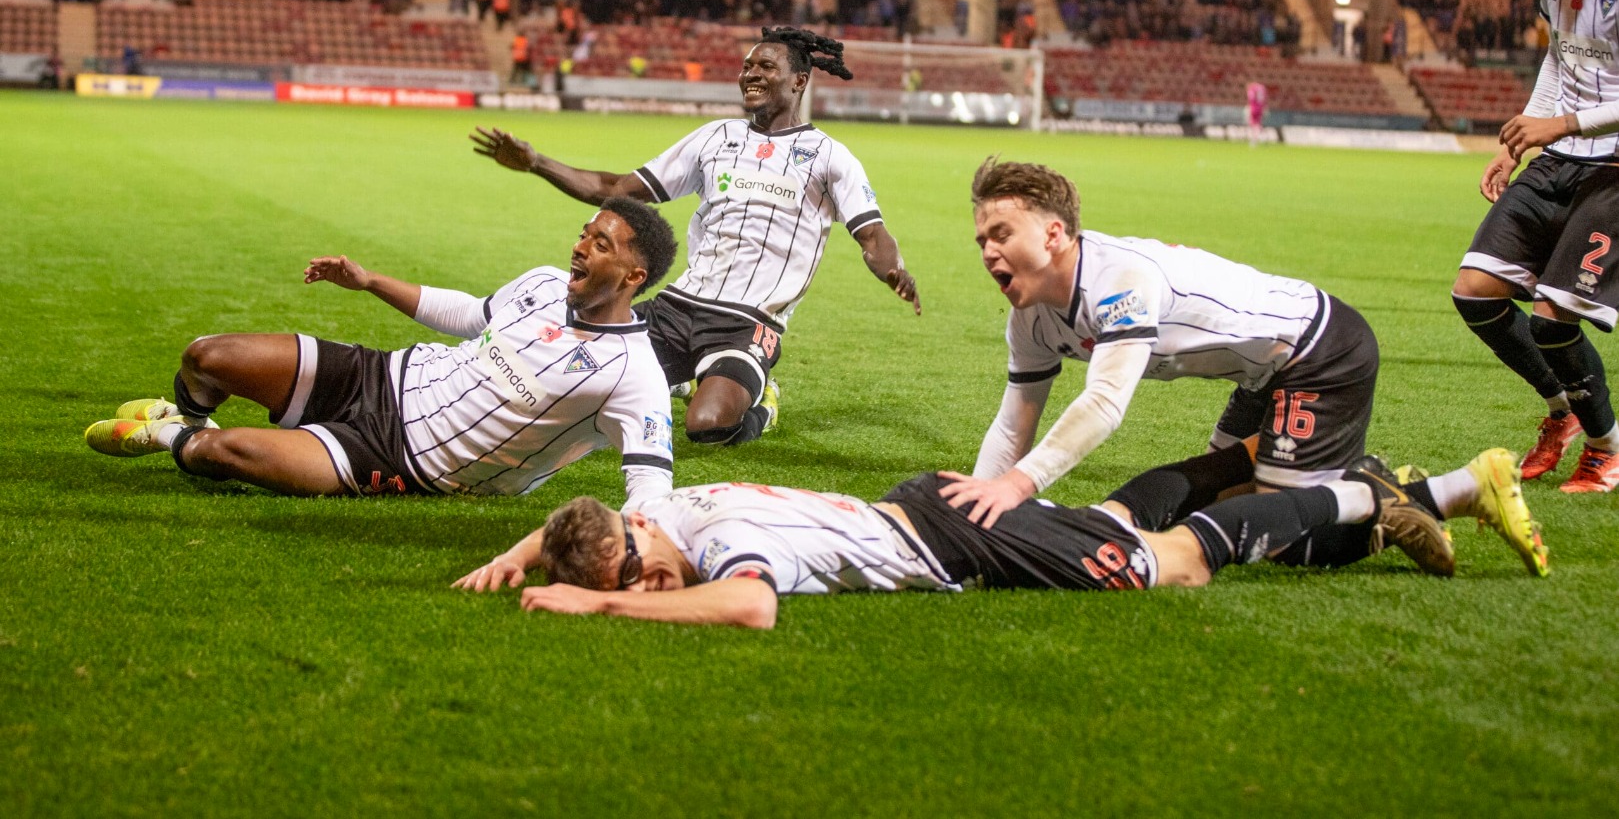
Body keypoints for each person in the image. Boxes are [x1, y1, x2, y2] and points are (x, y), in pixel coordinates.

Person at [935, 158, 1487, 577]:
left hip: (1318, 351)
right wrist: (975, 514)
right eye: (982, 239)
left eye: (1002, 234)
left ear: (1053, 234)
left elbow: (1104, 403)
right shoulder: (1031, 318)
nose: (987, 252)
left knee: (1284, 538)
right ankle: (1322, 473)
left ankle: (1433, 490)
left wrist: (1016, 486)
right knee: (1217, 498)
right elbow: (1014, 425)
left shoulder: (1119, 282)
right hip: (1259, 373)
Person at [453, 446, 1545, 629]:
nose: (649, 587)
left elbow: (748, 607)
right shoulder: (670, 511)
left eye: (641, 577)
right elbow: (588, 526)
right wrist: (524, 552)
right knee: (1112, 522)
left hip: (953, 541)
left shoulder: (729, 540)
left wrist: (596, 598)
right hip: (921, 507)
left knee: (1164, 567)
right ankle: (1249, 456)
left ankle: (1373, 492)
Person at [470, 26, 921, 447]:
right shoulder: (715, 137)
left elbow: (873, 235)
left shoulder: (830, 157)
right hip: (678, 306)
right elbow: (618, 189)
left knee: (707, 426)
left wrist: (893, 270)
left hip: (746, 323)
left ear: (799, 81)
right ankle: (679, 378)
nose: (750, 74)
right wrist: (537, 163)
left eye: (766, 67)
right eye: (747, 66)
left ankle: (764, 404)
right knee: (574, 380)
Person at [83, 199, 681, 505]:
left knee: (221, 451)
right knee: (207, 357)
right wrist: (369, 281)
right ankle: (187, 415)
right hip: (383, 376)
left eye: (600, 244)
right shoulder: (546, 283)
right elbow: (469, 314)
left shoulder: (634, 376)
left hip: (402, 457)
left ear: (634, 276)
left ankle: (167, 436)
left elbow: (650, 483)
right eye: (583, 234)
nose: (580, 247)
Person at [1452, 0, 1619, 493]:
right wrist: (1526, 133)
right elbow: (1560, 53)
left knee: (1552, 319)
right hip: (1561, 151)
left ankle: (1606, 450)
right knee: (1475, 293)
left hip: (1614, 166)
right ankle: (1562, 411)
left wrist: (1564, 123)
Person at [1245, 80, 1268, 145]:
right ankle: (1263, 136)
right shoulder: (1262, 88)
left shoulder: (1252, 89)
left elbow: (1251, 98)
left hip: (1254, 108)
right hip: (1261, 108)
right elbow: (1265, 98)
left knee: (1253, 124)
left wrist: (1249, 107)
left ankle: (1255, 140)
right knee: (1258, 123)